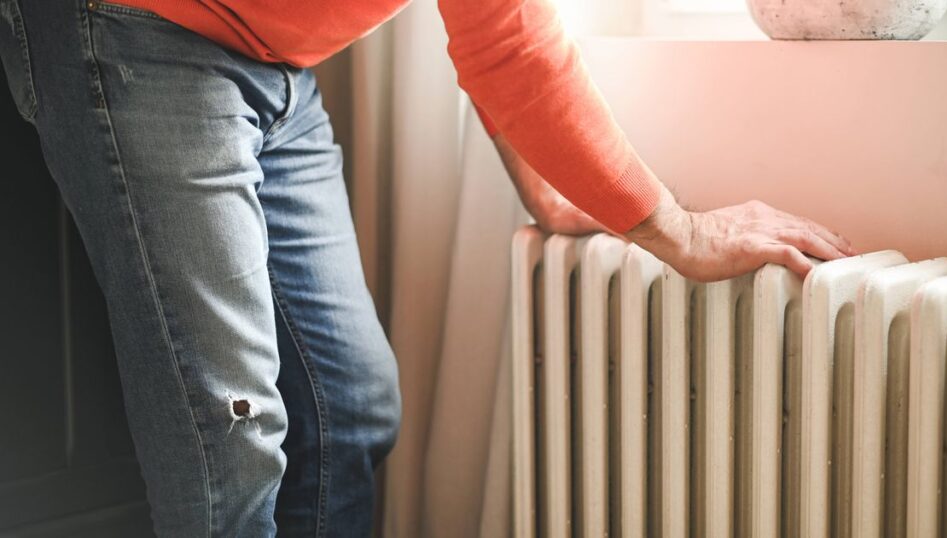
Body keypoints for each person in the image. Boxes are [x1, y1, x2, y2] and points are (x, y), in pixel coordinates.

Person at [0, 0, 852, 536]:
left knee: (350, 405)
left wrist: (551, 194)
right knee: (230, 441)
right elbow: (510, 45)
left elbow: (500, 33)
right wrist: (681, 233)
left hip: (274, 63)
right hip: (133, 31)